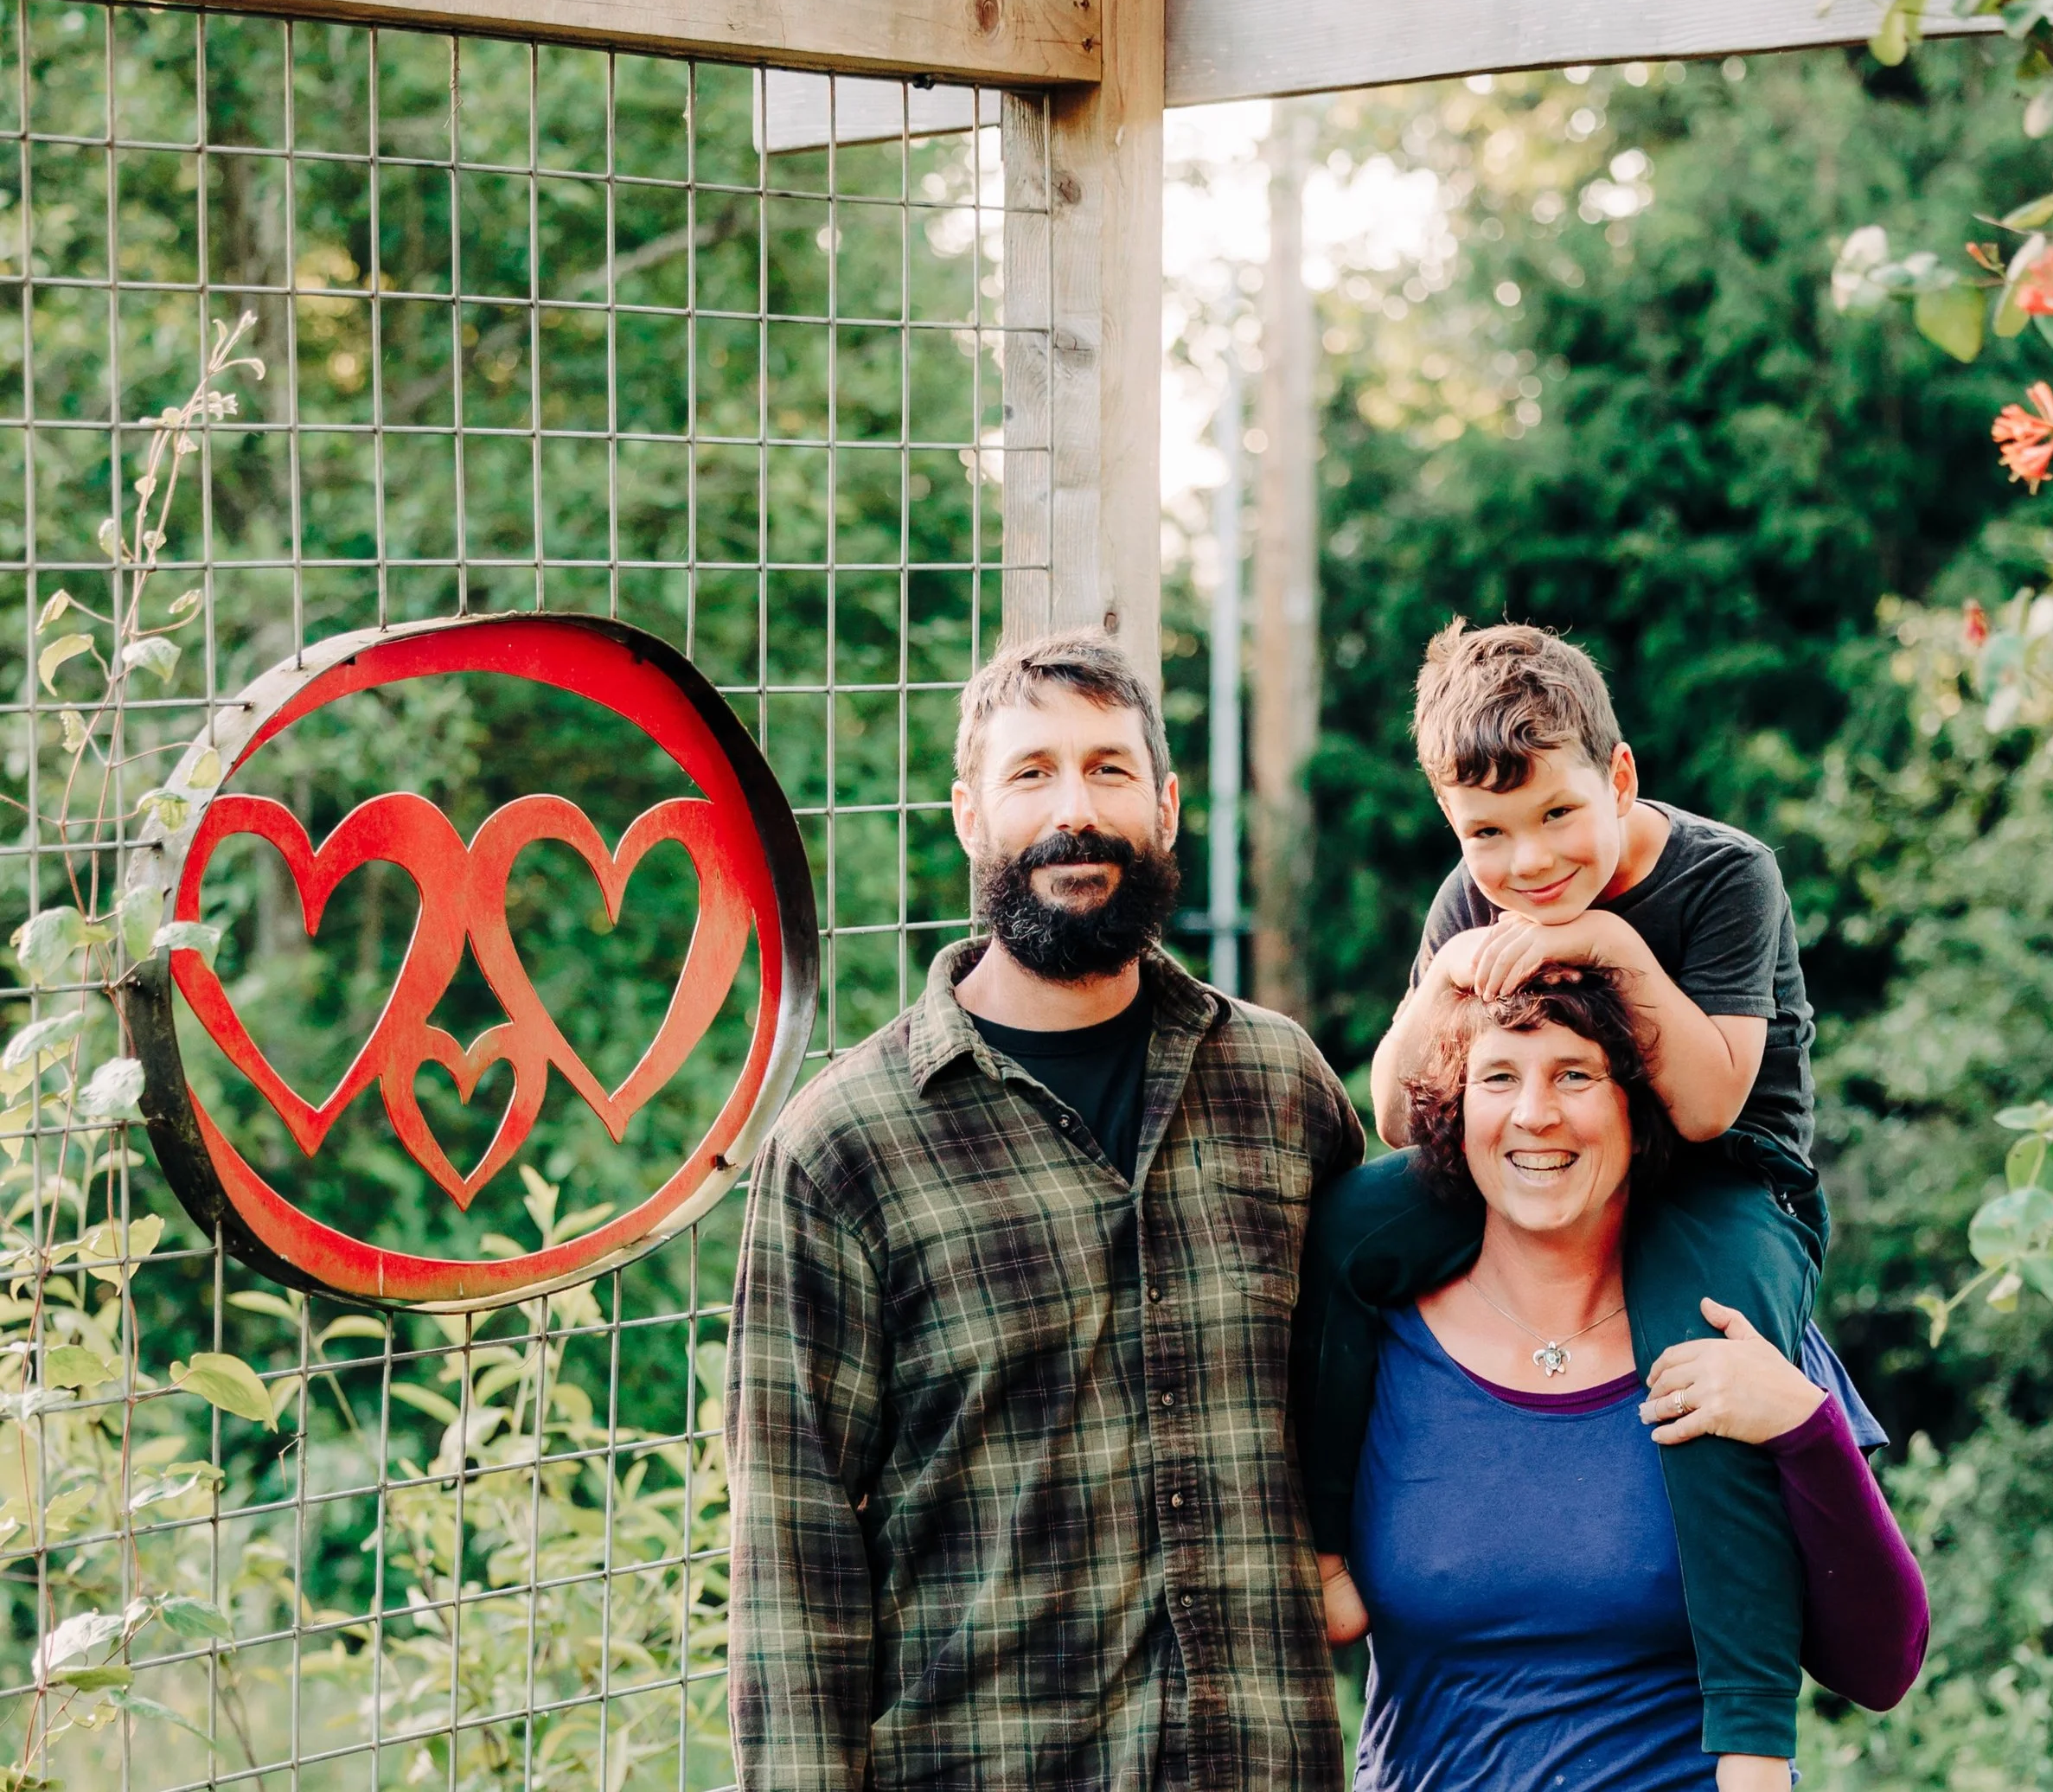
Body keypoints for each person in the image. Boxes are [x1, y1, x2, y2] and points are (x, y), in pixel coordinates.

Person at [726, 630, 1366, 1792]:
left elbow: (1390, 1380)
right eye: (1033, 774)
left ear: (1166, 808)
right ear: (970, 815)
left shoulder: (1282, 1090)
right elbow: (792, 1554)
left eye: (1111, 770)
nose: (1077, 810)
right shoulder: (845, 1146)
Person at [1297, 619, 1831, 1763]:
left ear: (1620, 776)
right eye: (1486, 833)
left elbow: (1708, 1105)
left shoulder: (1724, 876)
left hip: (1726, 1184)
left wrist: (1610, 949)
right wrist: (1440, 985)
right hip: (1549, 1157)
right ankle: (1330, 1549)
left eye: (1555, 816)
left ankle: (1749, 1731)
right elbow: (1396, 1115)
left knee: (1700, 1352)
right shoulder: (1468, 901)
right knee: (1349, 1224)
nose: (1529, 863)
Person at [1349, 963, 1927, 1792]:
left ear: (1637, 1107)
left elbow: (1884, 1666)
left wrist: (1807, 1427)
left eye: (1575, 1075)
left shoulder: (1733, 1329)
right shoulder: (1378, 1339)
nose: (1535, 1113)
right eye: (1498, 1077)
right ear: (1455, 1113)